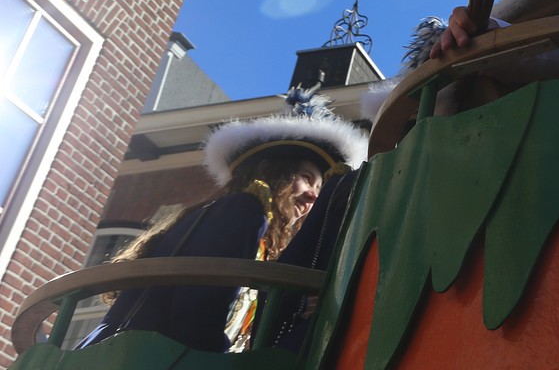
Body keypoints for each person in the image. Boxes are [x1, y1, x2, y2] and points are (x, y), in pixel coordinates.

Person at [80, 105, 367, 352]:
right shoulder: (242, 210)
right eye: (306, 178)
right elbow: (199, 313)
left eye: (320, 188)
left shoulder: (257, 237)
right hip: (146, 365)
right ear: (270, 170)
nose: (313, 195)